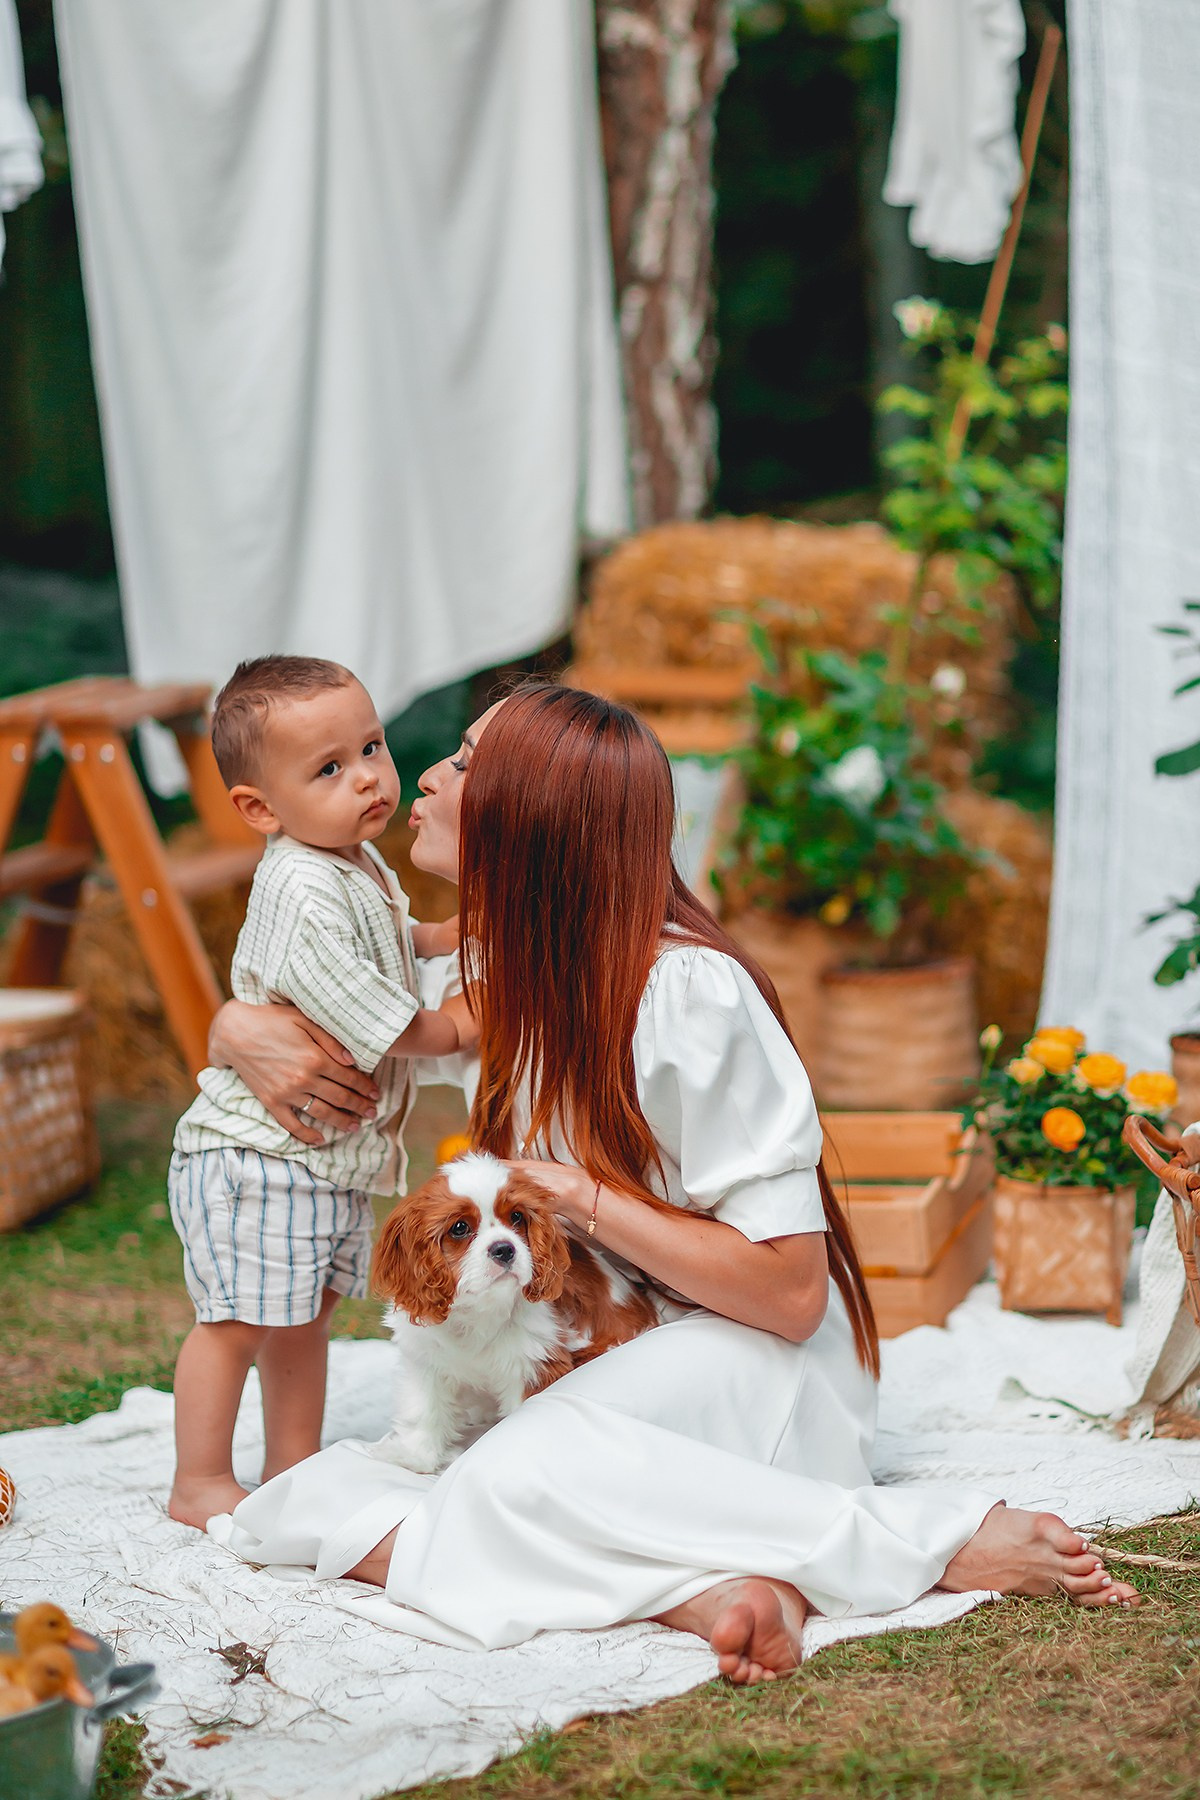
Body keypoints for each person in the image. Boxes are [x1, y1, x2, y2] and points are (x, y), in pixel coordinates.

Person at [206, 682, 1138, 1683]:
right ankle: (719, 1590)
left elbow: (788, 1296)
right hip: (609, 1359)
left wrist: (581, 1199)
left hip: (754, 1364)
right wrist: (232, 1028)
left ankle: (934, 1538)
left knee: (511, 1475)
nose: (422, 776)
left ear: (536, 822)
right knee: (299, 1496)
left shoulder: (690, 993)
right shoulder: (500, 969)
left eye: (466, 764)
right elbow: (324, 1023)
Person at [168, 655, 475, 1529]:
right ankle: (198, 1482)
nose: (371, 777)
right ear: (259, 808)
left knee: (302, 1316)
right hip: (254, 1159)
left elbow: (391, 937)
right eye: (330, 768)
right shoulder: (303, 889)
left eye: (371, 746)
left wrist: (441, 934)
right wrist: (460, 1018)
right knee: (233, 1322)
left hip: (315, 1161)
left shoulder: (350, 858)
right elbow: (390, 1025)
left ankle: (290, 1468)